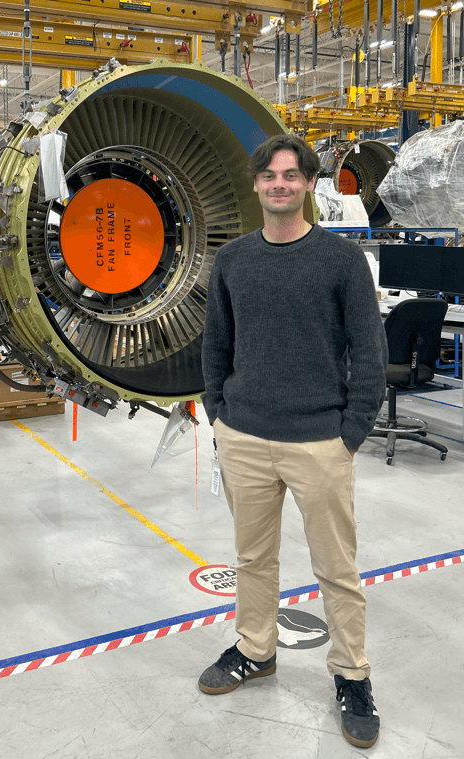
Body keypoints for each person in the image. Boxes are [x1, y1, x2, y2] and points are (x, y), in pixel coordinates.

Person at [199, 133, 388, 749]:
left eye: (291, 175)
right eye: (268, 176)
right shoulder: (232, 260)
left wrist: (352, 430)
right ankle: (256, 650)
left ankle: (352, 675)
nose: (279, 184)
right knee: (252, 560)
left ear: (310, 184)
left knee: (336, 568)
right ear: (256, 184)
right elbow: (216, 344)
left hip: (319, 441)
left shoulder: (340, 260)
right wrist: (218, 412)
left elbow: (369, 351)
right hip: (245, 435)